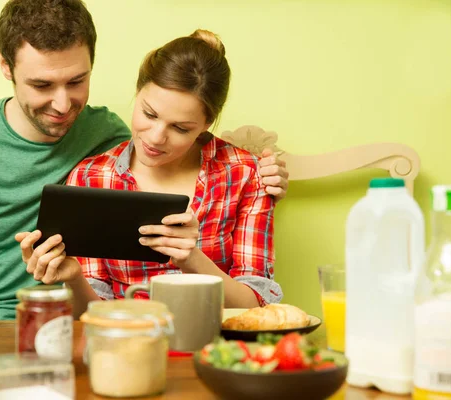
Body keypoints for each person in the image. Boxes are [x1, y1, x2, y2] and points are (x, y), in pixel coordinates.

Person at [0, 0, 288, 321]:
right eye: (42, 85)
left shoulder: (109, 135)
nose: (63, 104)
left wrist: (265, 173)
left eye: (76, 81)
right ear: (5, 65)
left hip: (75, 325)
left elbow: (260, 299)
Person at [17, 29, 283, 317]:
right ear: (138, 92)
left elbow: (258, 306)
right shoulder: (92, 177)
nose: (156, 138)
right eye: (149, 114)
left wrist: (191, 259)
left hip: (215, 345)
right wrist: (73, 278)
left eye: (180, 128)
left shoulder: (246, 175)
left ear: (207, 123)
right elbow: (92, 315)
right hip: (125, 340)